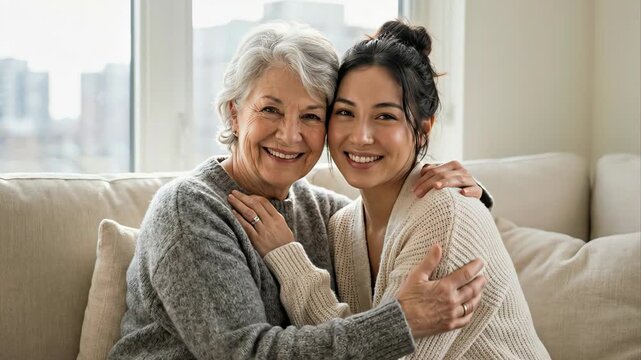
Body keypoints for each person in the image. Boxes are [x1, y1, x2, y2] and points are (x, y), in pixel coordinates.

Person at [109, 21, 489, 360]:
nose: (290, 135)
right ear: (234, 113)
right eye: (270, 110)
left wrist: (469, 199)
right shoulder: (189, 210)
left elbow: (401, 230)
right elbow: (247, 353)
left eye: (310, 115)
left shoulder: (324, 213)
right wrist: (401, 322)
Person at [229, 20, 551, 359]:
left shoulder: (443, 212)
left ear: (424, 129)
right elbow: (360, 338)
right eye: (345, 112)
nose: (360, 136)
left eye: (385, 117)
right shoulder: (341, 225)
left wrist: (288, 258)